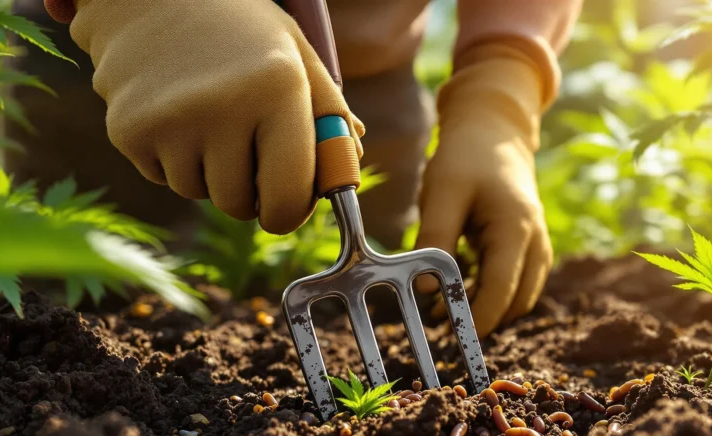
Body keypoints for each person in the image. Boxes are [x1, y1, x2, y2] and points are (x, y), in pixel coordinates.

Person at [32, 0, 581, 337]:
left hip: (360, 74)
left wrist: (502, 78)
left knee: (380, 310)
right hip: (144, 50)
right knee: (65, 323)